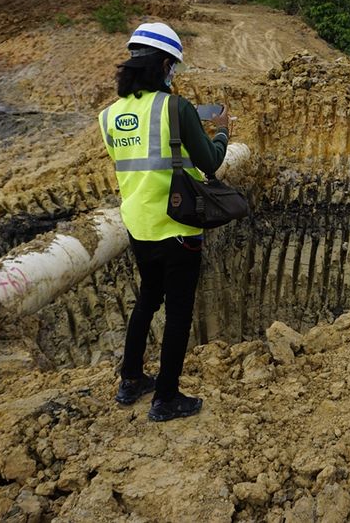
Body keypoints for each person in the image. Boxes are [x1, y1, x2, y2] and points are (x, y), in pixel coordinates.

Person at [98, 22, 231, 422]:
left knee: (147, 299)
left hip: (139, 225)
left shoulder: (109, 116)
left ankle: (131, 379)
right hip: (177, 224)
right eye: (174, 66)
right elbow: (210, 161)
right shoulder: (176, 108)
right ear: (165, 65)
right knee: (178, 312)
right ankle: (167, 398)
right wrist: (223, 133)